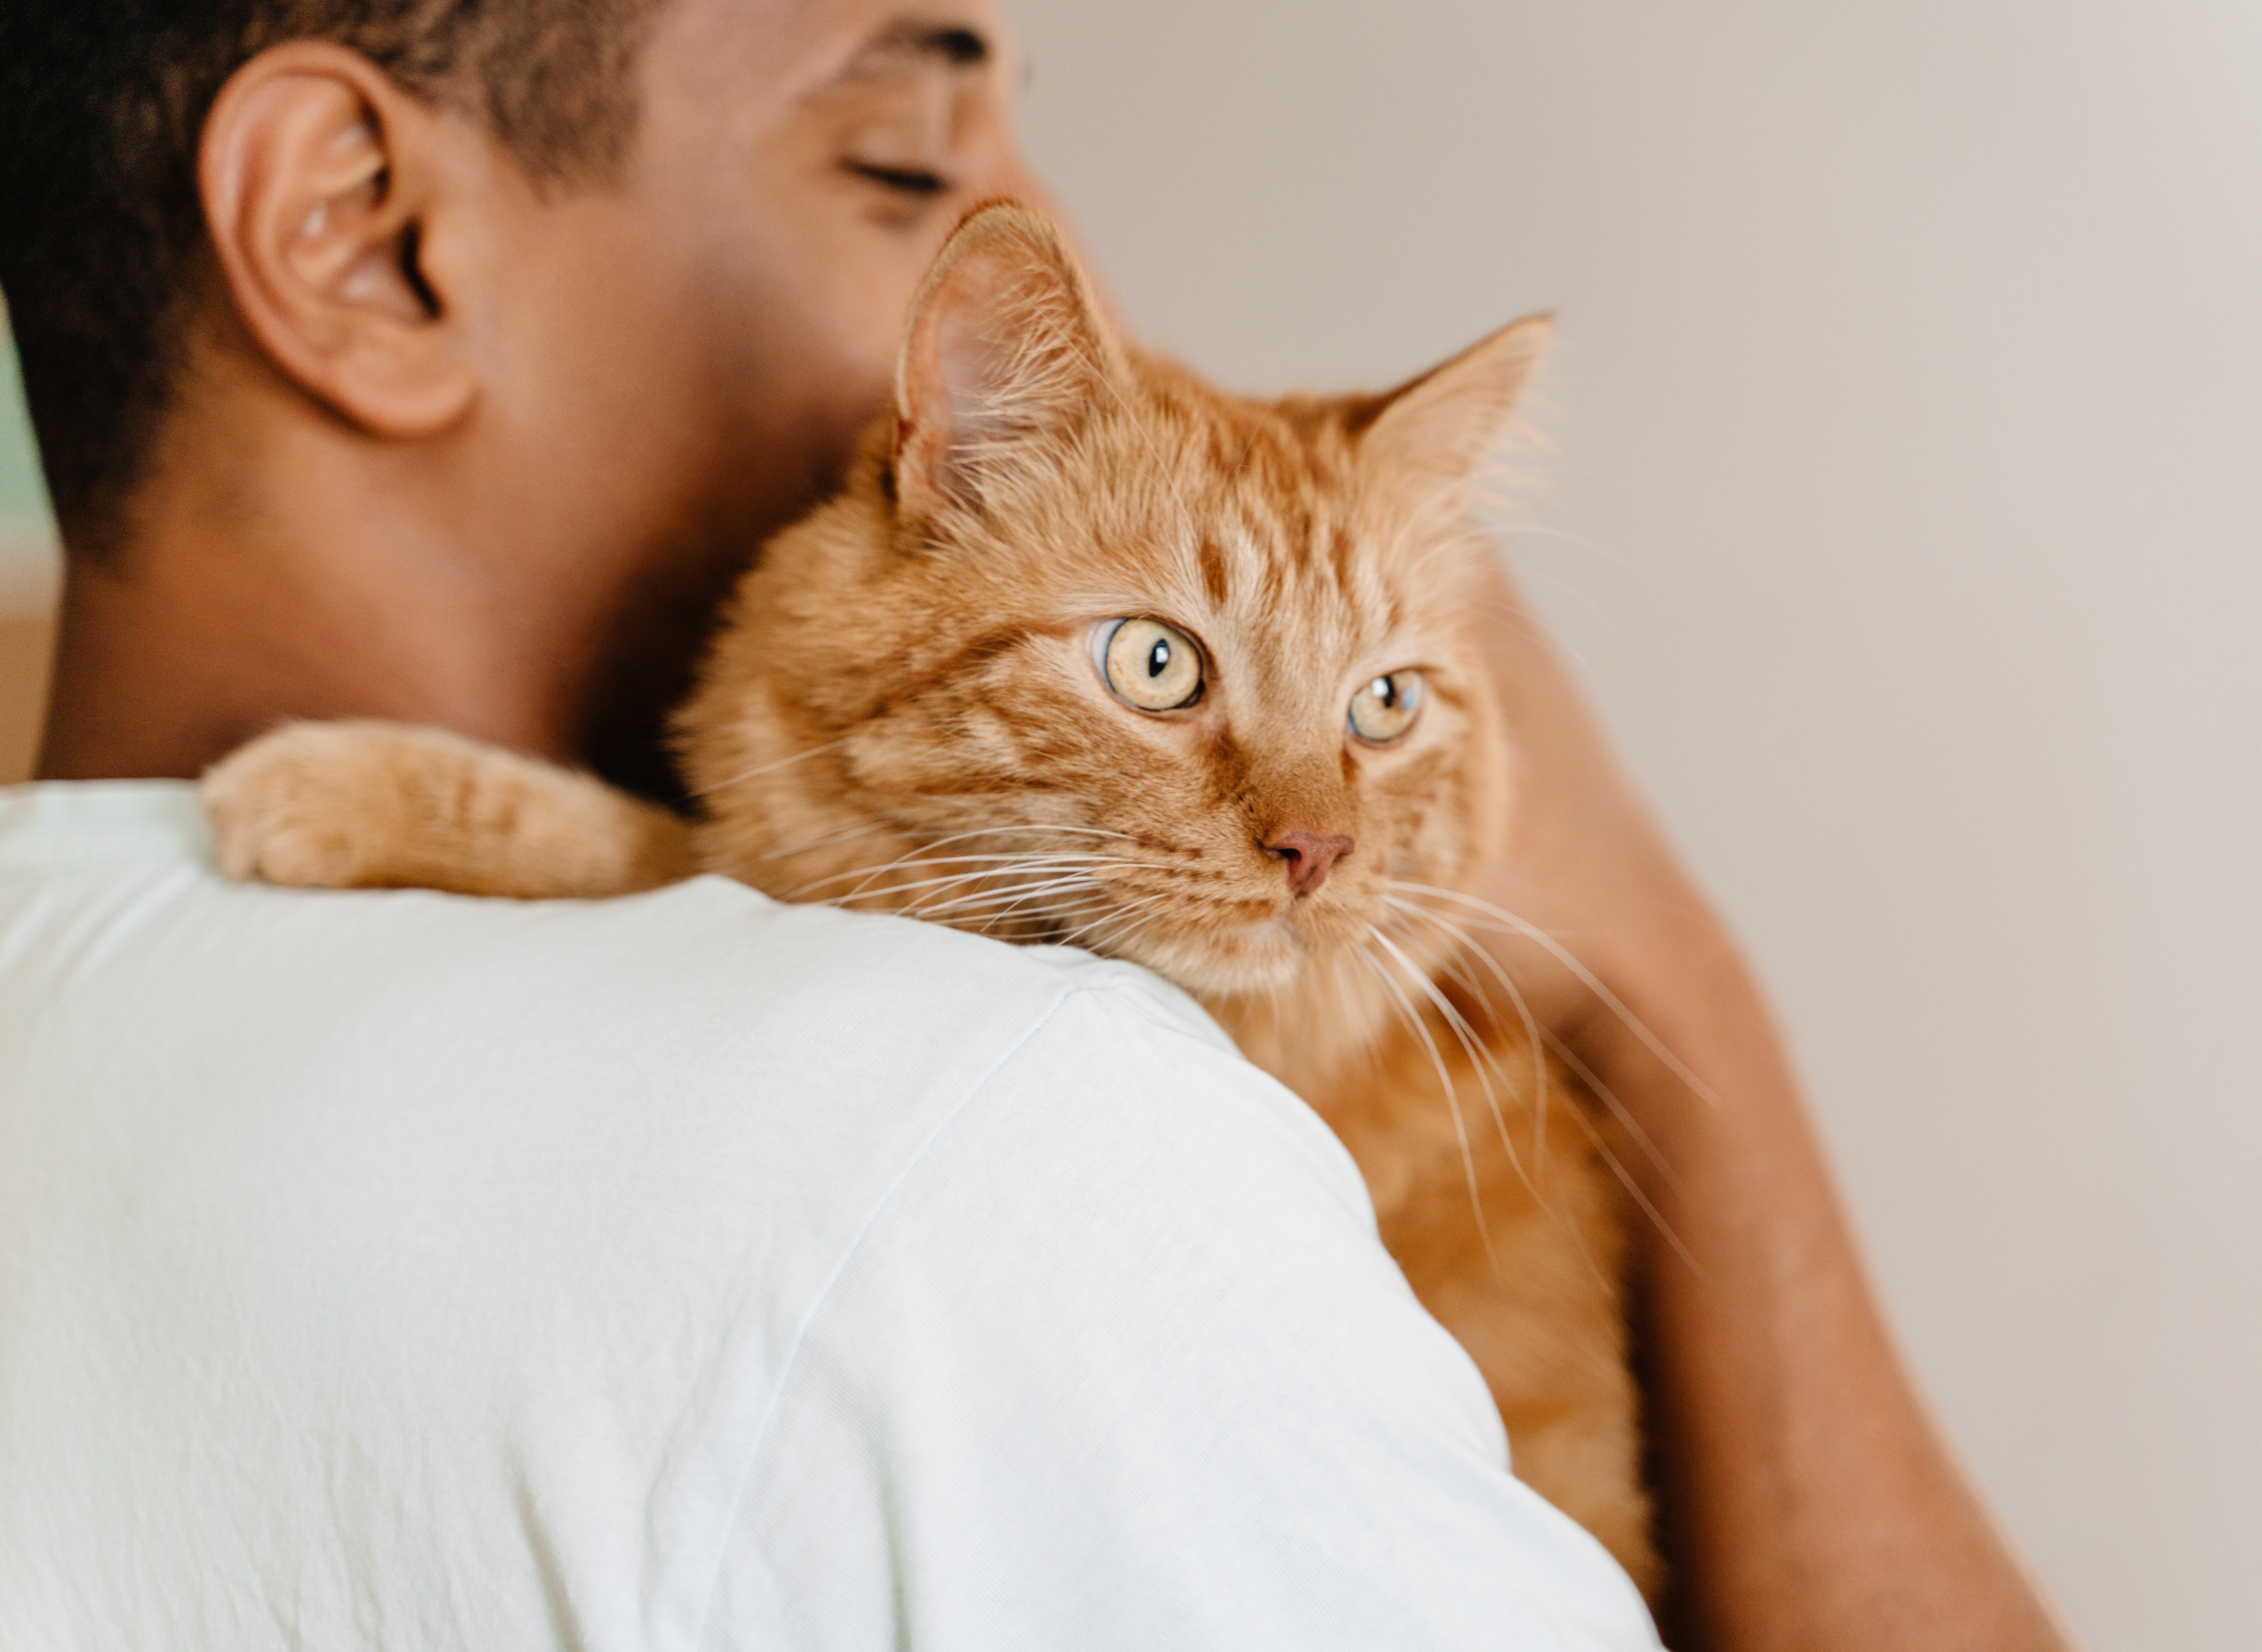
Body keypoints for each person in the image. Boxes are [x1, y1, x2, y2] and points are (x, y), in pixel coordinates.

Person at [0, 2, 2072, 1647]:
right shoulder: (1007, 1134)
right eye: (902, 152)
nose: (1053, 236)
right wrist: (1665, 962)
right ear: (361, 229)